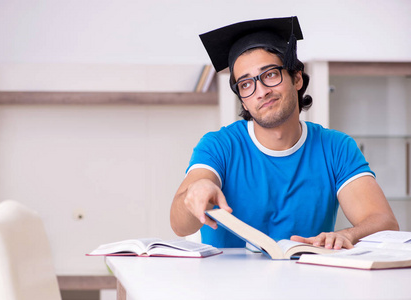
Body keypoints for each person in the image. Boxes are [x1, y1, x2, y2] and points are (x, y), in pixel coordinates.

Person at [170, 16, 399, 250]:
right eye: (246, 84)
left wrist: (348, 234)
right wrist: (195, 193)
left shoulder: (335, 148)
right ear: (243, 101)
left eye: (269, 74)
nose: (260, 91)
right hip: (227, 283)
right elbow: (179, 225)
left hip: (306, 282)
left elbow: (384, 222)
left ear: (297, 78)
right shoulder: (220, 146)